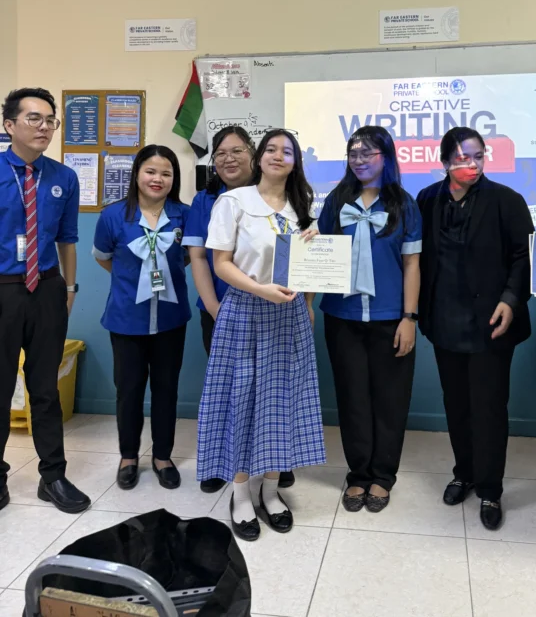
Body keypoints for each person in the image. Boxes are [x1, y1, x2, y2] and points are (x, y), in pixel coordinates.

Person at [198, 129, 325, 542]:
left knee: (282, 402)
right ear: (259, 157)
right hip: (244, 312)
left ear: (295, 162)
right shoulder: (234, 201)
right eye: (270, 149)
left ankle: (270, 492)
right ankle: (240, 495)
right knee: (241, 401)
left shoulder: (302, 208)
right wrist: (259, 289)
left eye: (287, 151)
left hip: (289, 316)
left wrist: (308, 297)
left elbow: (308, 266)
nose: (277, 156)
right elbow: (221, 263)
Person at [416, 127, 533, 531]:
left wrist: (510, 300)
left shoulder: (506, 200)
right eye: (462, 157)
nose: (471, 163)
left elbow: (523, 256)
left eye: (478, 156)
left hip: (492, 323)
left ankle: (490, 488)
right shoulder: (427, 199)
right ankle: (463, 473)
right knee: (457, 405)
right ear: (445, 160)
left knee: (489, 409)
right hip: (444, 320)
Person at [318, 126, 421, 514]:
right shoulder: (336, 201)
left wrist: (409, 317)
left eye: (368, 153)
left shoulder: (404, 204)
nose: (359, 160)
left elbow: (412, 265)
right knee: (352, 398)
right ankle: (358, 474)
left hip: (390, 318)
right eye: (353, 153)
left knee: (390, 400)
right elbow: (320, 252)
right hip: (341, 317)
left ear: (387, 157)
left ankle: (383, 475)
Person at [0, 88, 90, 514]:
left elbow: (68, 240)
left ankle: (53, 476)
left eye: (50, 120)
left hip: (48, 288)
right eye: (33, 118)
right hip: (3, 289)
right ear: (9, 125)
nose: (44, 127)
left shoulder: (63, 177)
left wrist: (69, 289)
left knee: (45, 390)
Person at [93, 145, 192, 492]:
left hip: (170, 319)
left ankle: (162, 457)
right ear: (137, 173)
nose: (157, 179)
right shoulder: (113, 215)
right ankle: (129, 457)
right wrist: (132, 281)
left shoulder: (184, 215)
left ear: (174, 179)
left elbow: (188, 258)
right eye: (150, 171)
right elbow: (103, 256)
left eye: (166, 173)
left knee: (166, 389)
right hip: (126, 319)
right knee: (129, 390)